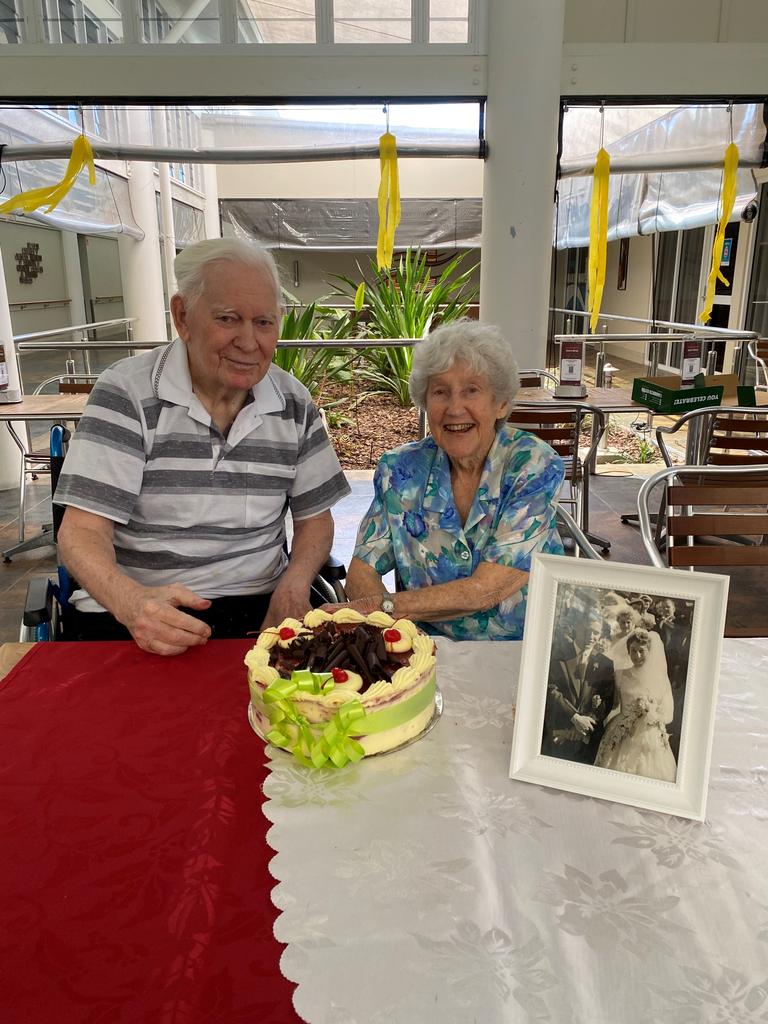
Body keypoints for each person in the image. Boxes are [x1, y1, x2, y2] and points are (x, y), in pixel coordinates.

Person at [55, 238, 350, 655]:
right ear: (182, 317)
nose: (249, 342)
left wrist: (295, 583)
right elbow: (81, 531)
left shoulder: (293, 402)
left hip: (258, 610)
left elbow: (315, 521)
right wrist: (130, 601)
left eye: (264, 322)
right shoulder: (127, 393)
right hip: (139, 611)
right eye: (229, 318)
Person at [331, 319, 565, 639]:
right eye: (440, 391)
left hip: (523, 651)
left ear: (501, 404)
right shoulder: (401, 470)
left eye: (472, 390)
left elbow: (487, 590)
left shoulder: (532, 465)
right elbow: (361, 571)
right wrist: (397, 639)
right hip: (427, 651)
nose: (455, 408)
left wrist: (384, 607)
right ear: (425, 402)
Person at [595, 628, 677, 782]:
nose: (637, 656)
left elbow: (667, 713)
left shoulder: (659, 679)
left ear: (649, 652)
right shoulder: (620, 674)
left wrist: (650, 712)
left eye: (641, 651)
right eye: (633, 651)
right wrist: (598, 703)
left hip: (649, 735)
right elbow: (614, 705)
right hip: (622, 731)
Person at [542, 616, 616, 764]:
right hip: (557, 733)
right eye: (586, 630)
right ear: (577, 629)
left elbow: (606, 700)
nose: (590, 636)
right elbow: (551, 689)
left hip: (586, 740)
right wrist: (574, 717)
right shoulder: (557, 654)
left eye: (595, 632)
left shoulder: (605, 664)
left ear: (601, 634)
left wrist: (583, 726)